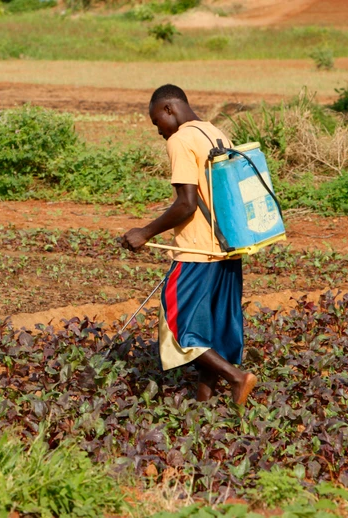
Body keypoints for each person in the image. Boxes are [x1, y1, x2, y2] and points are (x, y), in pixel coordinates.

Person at [120, 84, 257, 406]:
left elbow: (186, 204)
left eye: (157, 123)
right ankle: (204, 405)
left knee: (178, 328)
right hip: (227, 248)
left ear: (169, 109)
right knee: (213, 332)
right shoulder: (217, 132)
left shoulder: (181, 139)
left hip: (197, 252)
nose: (159, 132)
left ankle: (238, 378)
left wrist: (145, 232)